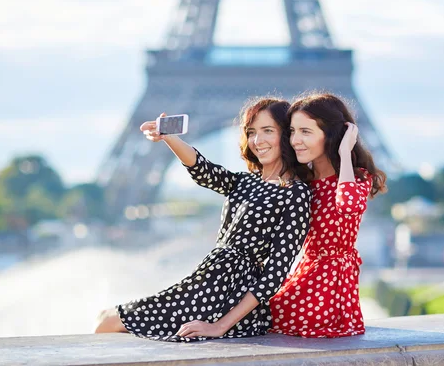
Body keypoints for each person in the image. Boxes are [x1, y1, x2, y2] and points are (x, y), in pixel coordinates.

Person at [94, 98, 312, 342]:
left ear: (286, 135)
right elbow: (203, 170)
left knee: (110, 322)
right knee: (107, 315)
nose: (257, 141)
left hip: (228, 297)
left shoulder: (295, 193)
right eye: (251, 132)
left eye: (267, 131)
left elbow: (275, 273)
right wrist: (168, 137)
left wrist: (219, 326)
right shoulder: (246, 181)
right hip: (206, 282)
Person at [269, 92, 387, 338]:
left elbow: (347, 204)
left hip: (328, 288)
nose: (295, 140)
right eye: (292, 131)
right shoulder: (304, 182)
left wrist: (344, 154)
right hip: (304, 275)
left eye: (306, 131)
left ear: (332, 135)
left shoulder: (358, 178)